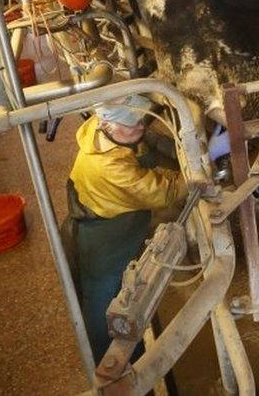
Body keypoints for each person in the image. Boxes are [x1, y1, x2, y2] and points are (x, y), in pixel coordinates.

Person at [62, 94, 187, 363]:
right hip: (105, 236)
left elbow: (140, 152)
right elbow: (164, 192)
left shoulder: (98, 130)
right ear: (108, 126)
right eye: (133, 124)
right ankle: (113, 365)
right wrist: (198, 167)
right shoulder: (110, 166)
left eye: (141, 119)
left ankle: (123, 355)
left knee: (112, 290)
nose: (141, 126)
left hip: (99, 215)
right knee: (103, 300)